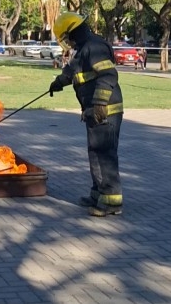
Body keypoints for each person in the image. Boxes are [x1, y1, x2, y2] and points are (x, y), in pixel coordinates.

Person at [48, 12, 125, 217]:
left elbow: (108, 75)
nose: (67, 42)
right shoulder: (84, 48)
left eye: (66, 37)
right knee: (95, 152)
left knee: (104, 154)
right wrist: (58, 82)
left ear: (72, 32)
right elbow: (73, 71)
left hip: (105, 110)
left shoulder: (94, 46)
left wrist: (100, 103)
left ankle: (111, 202)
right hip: (94, 110)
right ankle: (98, 195)